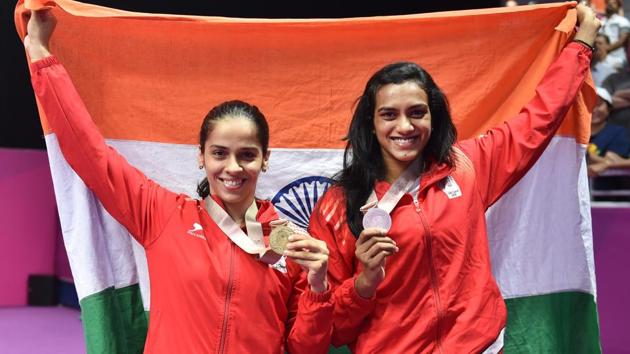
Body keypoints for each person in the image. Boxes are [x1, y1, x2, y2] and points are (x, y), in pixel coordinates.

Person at [24, 9, 333, 354]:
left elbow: (304, 348)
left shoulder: (289, 242)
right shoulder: (162, 214)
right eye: (219, 153)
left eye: (247, 155)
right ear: (201, 156)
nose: (233, 167)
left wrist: (319, 286)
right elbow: (90, 154)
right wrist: (40, 53)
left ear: (265, 159)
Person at [308, 4, 600, 354]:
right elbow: (332, 329)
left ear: (434, 116)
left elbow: (538, 119)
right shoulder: (339, 206)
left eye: (417, 113)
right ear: (371, 123)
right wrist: (364, 284)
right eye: (389, 115)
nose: (405, 127)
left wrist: (581, 45)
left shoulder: (467, 166)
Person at [600, 0, 630, 66]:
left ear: (618, 6)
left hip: (617, 60)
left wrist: (606, 49)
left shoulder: (622, 21)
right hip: (601, 59)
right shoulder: (602, 21)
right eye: (608, 3)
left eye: (613, 3)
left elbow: (622, 41)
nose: (610, 4)